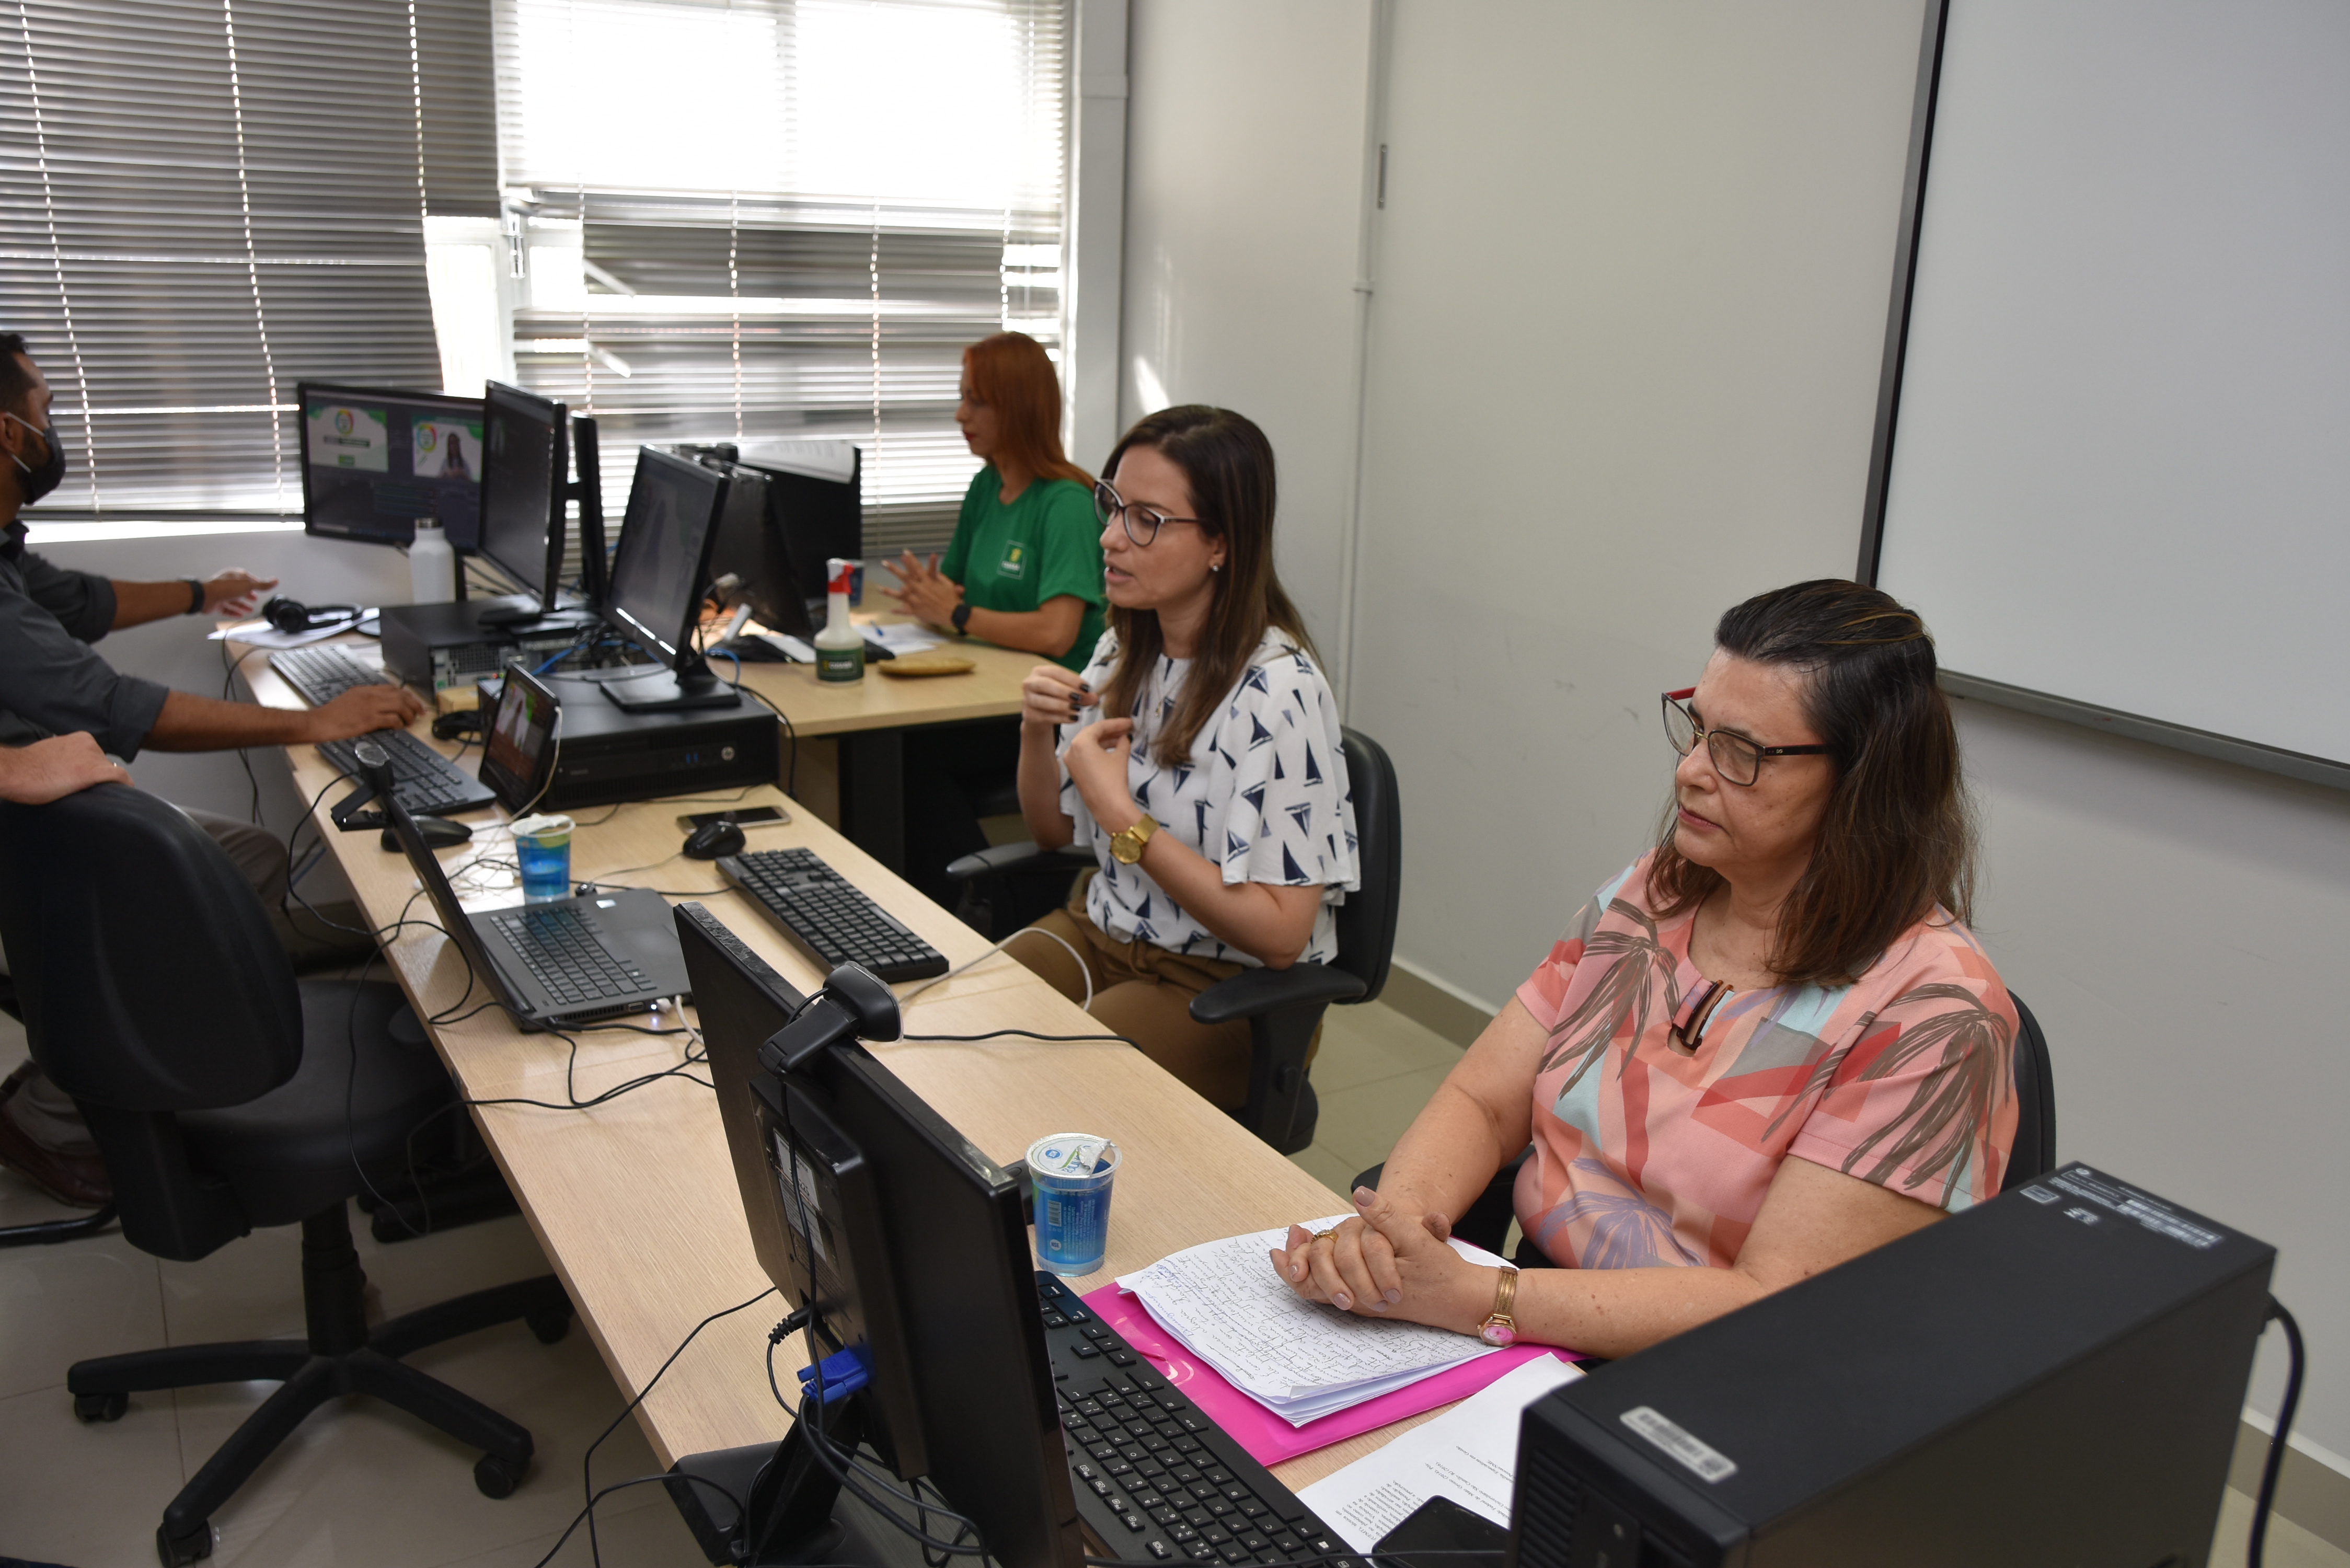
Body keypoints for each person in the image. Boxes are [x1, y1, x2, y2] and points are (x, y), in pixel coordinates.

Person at [1269, 580, 2017, 1360]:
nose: (1691, 770)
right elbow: (1484, 1101)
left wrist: (1475, 1298)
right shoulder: (1655, 894)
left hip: (1702, 1380)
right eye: (1697, 730)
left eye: (1741, 753)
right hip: (1531, 1312)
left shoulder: (1936, 1017)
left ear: (1864, 780)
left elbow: (1772, 1299)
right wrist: (1397, 1233)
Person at [0, 331, 423, 1208]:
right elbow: (114, 706)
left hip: (45, 813)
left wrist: (203, 591)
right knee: (177, 899)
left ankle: (153, 1052)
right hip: (34, 831)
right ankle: (51, 1113)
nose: (53, 426)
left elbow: (77, 602)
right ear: (8, 434)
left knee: (251, 860)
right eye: (44, 409)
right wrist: (314, 720)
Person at [1006, 405, 1358, 1109]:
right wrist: (1033, 732)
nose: (1110, 537)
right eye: (1113, 505)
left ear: (1220, 543)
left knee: (1057, 1088)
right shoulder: (1123, 647)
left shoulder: (1281, 692)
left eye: (1147, 520)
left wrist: (1121, 817)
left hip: (1221, 981)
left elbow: (1281, 938)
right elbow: (1049, 832)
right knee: (962, 1024)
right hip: (1102, 930)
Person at [886, 331, 1107, 910]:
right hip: (994, 690)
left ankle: (989, 904)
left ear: (1020, 408)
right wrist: (936, 601)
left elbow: (1056, 632)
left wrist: (957, 613)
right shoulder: (988, 486)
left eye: (977, 401)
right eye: (963, 398)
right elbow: (955, 592)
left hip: (1057, 709)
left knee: (908, 760)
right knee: (895, 750)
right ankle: (938, 904)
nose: (961, 415)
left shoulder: (1065, 502)